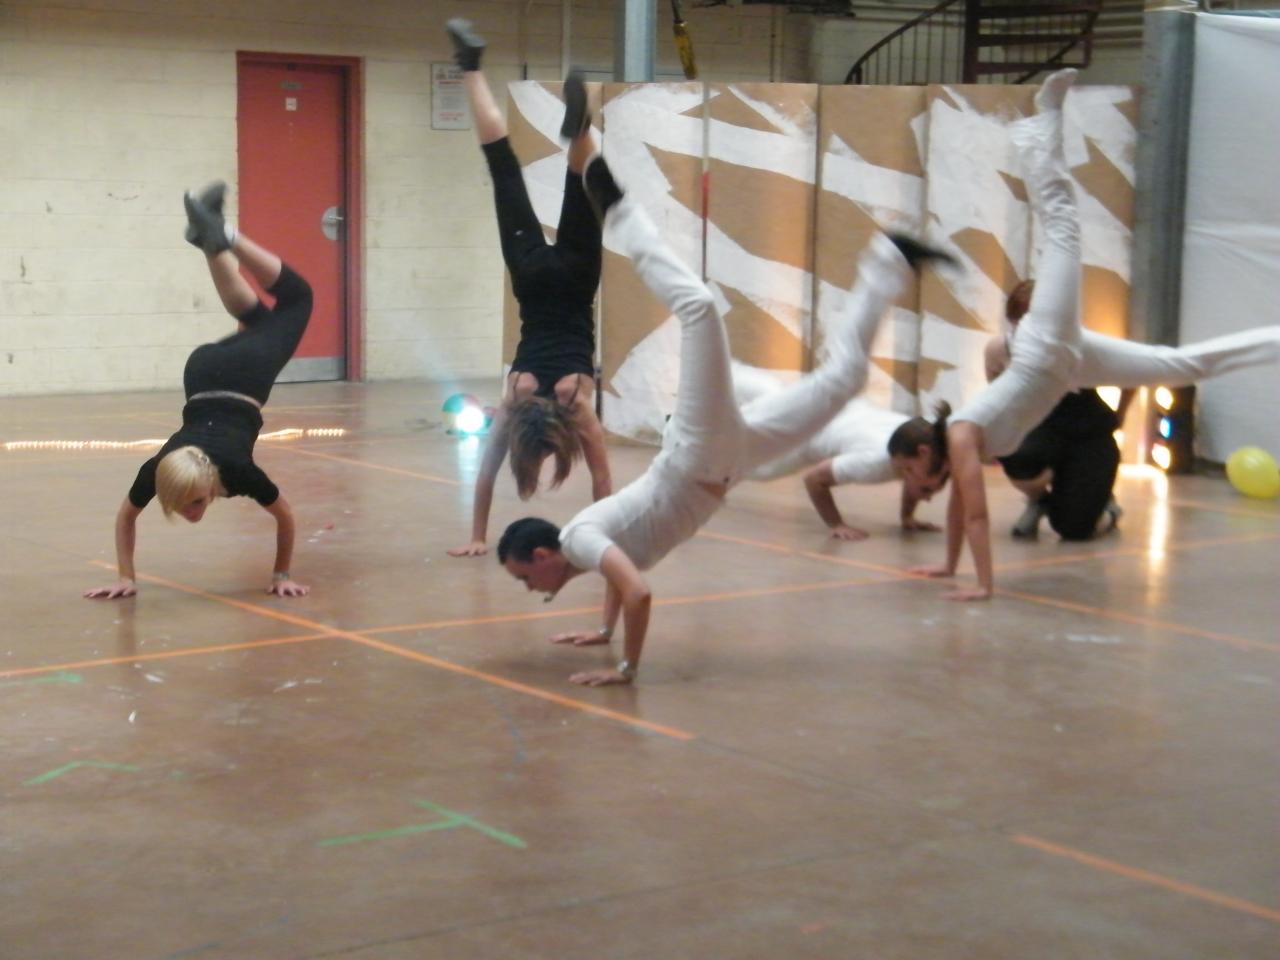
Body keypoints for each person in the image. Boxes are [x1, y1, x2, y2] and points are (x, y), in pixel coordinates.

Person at [497, 154, 954, 684]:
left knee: (699, 308)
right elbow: (621, 577)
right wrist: (603, 630)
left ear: (542, 555)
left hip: (698, 455)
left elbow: (638, 592)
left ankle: (616, 208)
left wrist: (625, 668)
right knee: (845, 381)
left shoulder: (578, 540)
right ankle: (891, 260)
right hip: (730, 461)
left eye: (525, 577)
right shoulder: (584, 549)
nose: (530, 589)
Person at [84, 183, 312, 600]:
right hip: (202, 372)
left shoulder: (237, 473)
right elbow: (126, 516)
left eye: (194, 503)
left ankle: (224, 236)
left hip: (243, 377)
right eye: (186, 504)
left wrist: (282, 575)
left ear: (210, 483)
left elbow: (285, 516)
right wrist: (126, 579)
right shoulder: (162, 471)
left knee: (298, 298)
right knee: (255, 317)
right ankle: (209, 241)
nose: (190, 512)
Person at [911, 68, 1083, 601]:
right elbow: (963, 507)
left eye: (923, 477)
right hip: (1052, 364)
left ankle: (1044, 121)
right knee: (1061, 222)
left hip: (1053, 357)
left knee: (1062, 224)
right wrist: (948, 566)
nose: (926, 486)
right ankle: (1043, 125)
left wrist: (983, 585)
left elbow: (977, 513)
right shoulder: (966, 435)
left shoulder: (964, 433)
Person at [443, 20, 612, 558]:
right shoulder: (515, 399)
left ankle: (580, 135)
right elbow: (485, 477)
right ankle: (470, 68)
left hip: (577, 281)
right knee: (504, 170)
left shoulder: (577, 405)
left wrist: (478, 539)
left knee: (579, 184)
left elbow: (603, 481)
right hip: (532, 279)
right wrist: (475, 535)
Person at [989, 281, 1280, 538]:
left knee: (1073, 529)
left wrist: (1118, 416)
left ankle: (1104, 507)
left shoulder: (1082, 345)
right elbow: (998, 397)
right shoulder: (999, 349)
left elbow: (1135, 373)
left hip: (1088, 434)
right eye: (1020, 323)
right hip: (1043, 428)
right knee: (1014, 453)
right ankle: (1038, 500)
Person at [731, 362, 948, 540]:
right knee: (756, 469)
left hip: (828, 406)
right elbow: (814, 480)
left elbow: (914, 481)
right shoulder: (875, 463)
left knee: (767, 393)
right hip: (805, 433)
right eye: (927, 490)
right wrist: (836, 524)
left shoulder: (926, 436)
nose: (928, 498)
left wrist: (907, 517)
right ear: (922, 453)